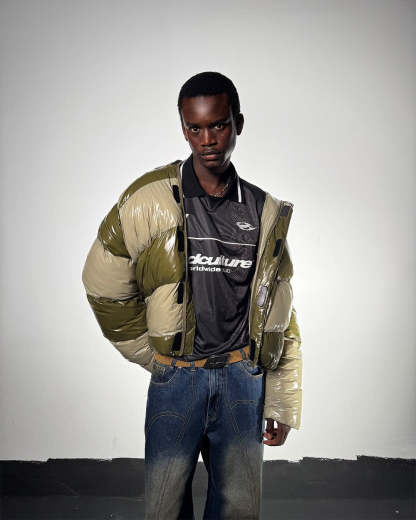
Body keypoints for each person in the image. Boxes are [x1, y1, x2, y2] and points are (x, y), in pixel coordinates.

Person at [82, 71, 302, 520]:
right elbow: (102, 284)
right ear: (183, 128)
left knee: (238, 508)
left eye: (218, 125)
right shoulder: (148, 199)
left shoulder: (263, 210)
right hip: (177, 381)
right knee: (164, 507)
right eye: (195, 127)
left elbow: (280, 313)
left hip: (242, 380)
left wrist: (281, 400)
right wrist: (154, 354)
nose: (207, 140)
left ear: (238, 123)